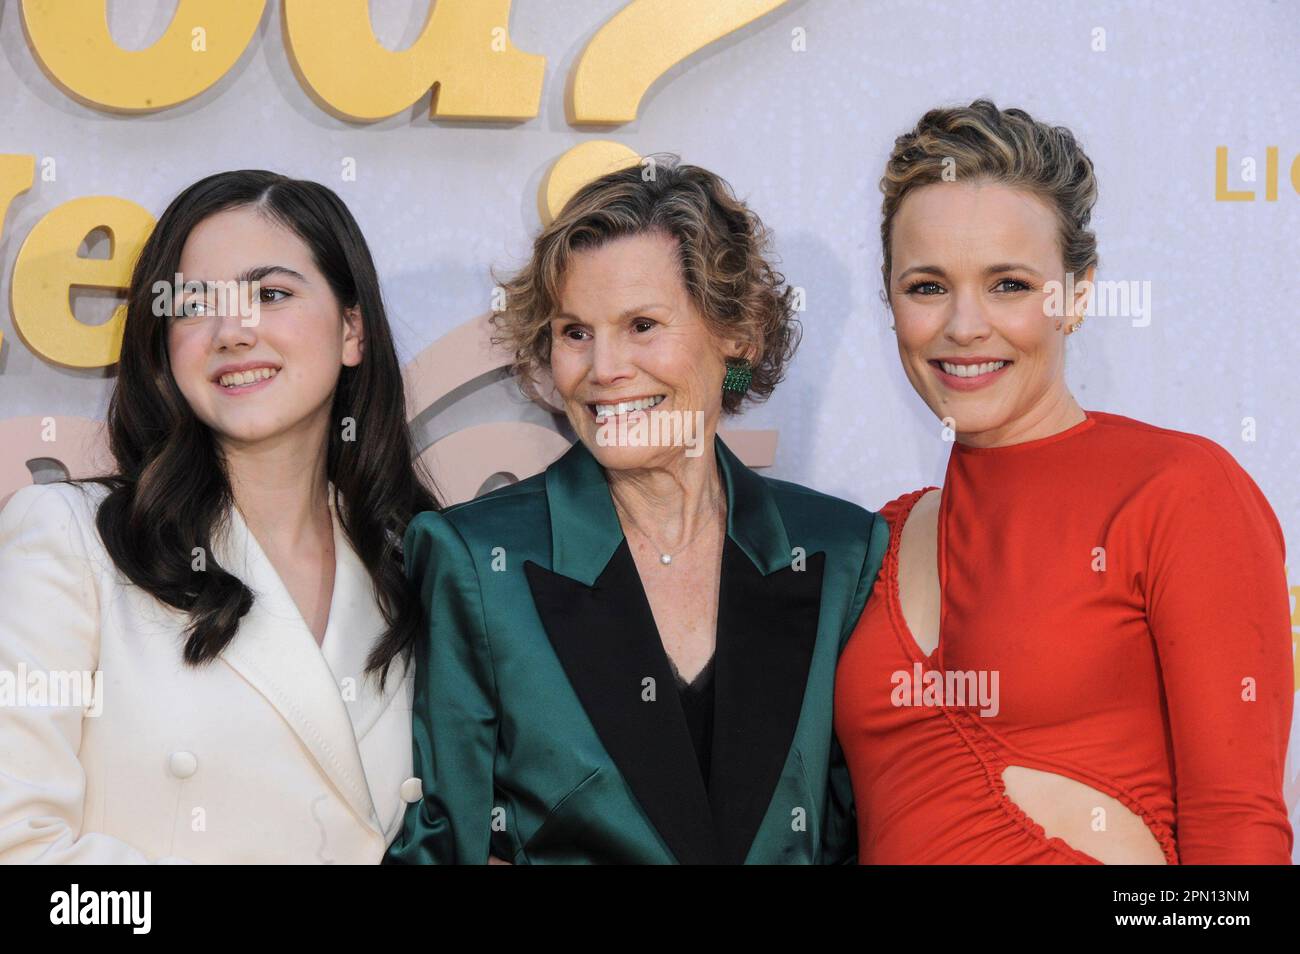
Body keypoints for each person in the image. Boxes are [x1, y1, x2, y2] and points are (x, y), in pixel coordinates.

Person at [384, 157, 889, 864]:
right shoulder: (475, 561)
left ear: (735, 334)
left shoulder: (840, 551)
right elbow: (443, 847)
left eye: (643, 325)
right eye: (574, 332)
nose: (604, 369)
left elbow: (858, 839)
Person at [834, 101, 1294, 864]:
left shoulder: (1178, 491)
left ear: (1077, 295)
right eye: (926, 287)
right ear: (891, 302)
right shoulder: (876, 538)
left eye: (1009, 284)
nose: (965, 325)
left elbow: (1239, 833)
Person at [0, 170, 438, 863]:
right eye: (195, 304)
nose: (233, 332)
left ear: (352, 329)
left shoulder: (415, 561)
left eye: (271, 294)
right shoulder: (70, 538)